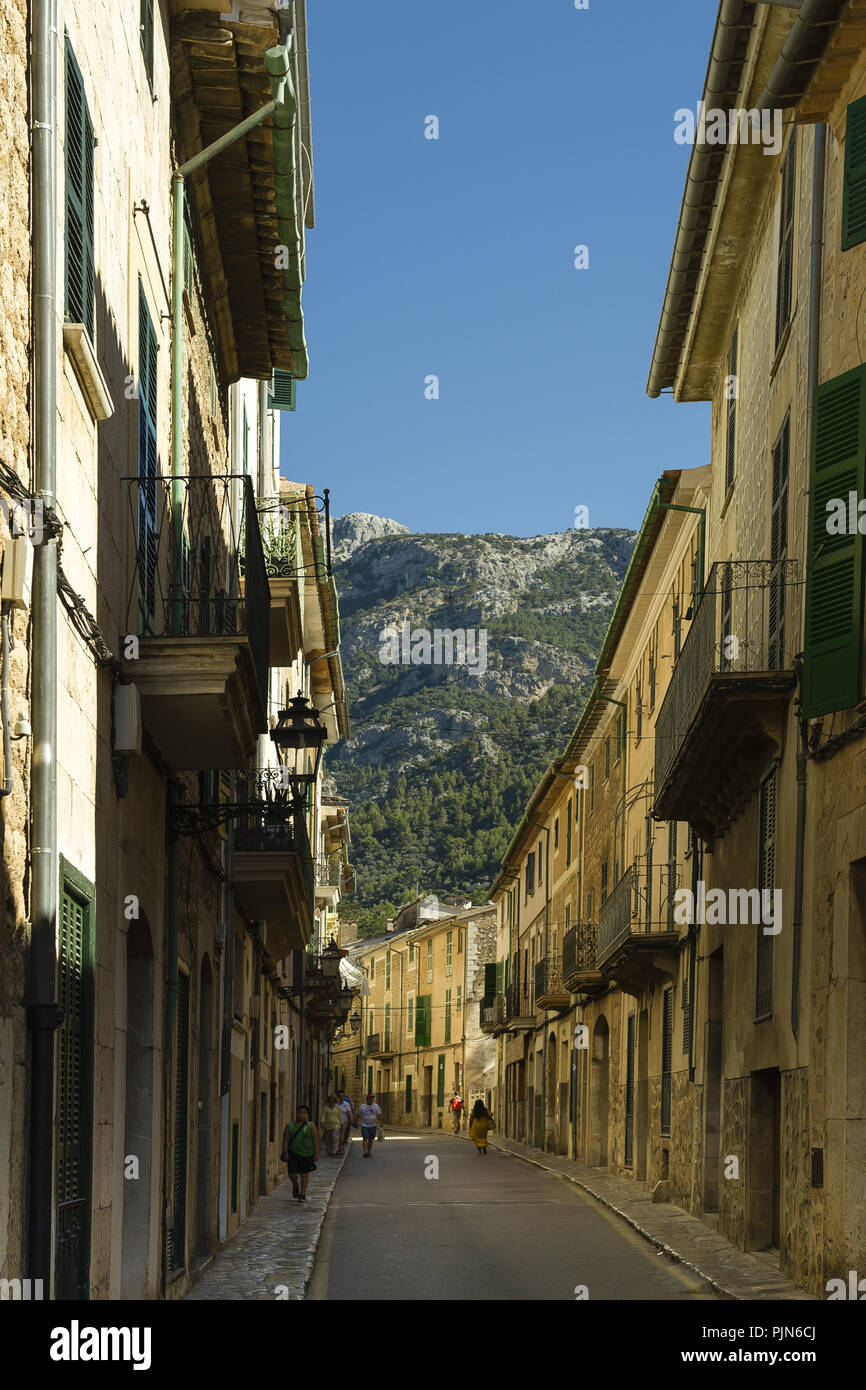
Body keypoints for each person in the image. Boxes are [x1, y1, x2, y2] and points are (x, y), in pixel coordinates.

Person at [281, 1105, 320, 1200]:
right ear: (296, 1114)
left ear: (307, 1114)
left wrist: (316, 1153)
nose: (301, 1114)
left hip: (306, 1153)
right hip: (293, 1152)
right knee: (292, 1174)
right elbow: (286, 1140)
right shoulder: (290, 1125)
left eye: (304, 1112)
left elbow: (315, 1140)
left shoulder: (311, 1126)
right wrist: (285, 1151)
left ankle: (303, 1193)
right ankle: (295, 1185)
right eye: (300, 1112)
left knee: (304, 1173)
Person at [356, 1092, 382, 1158]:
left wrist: (381, 1123)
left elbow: (379, 1115)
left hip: (373, 1125)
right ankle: (365, 1151)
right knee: (365, 1138)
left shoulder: (376, 1106)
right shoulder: (362, 1106)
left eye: (372, 1098)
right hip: (364, 1125)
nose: (371, 1100)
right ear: (367, 1099)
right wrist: (356, 1121)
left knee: (370, 1139)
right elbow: (358, 1115)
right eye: (370, 1098)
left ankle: (369, 1151)